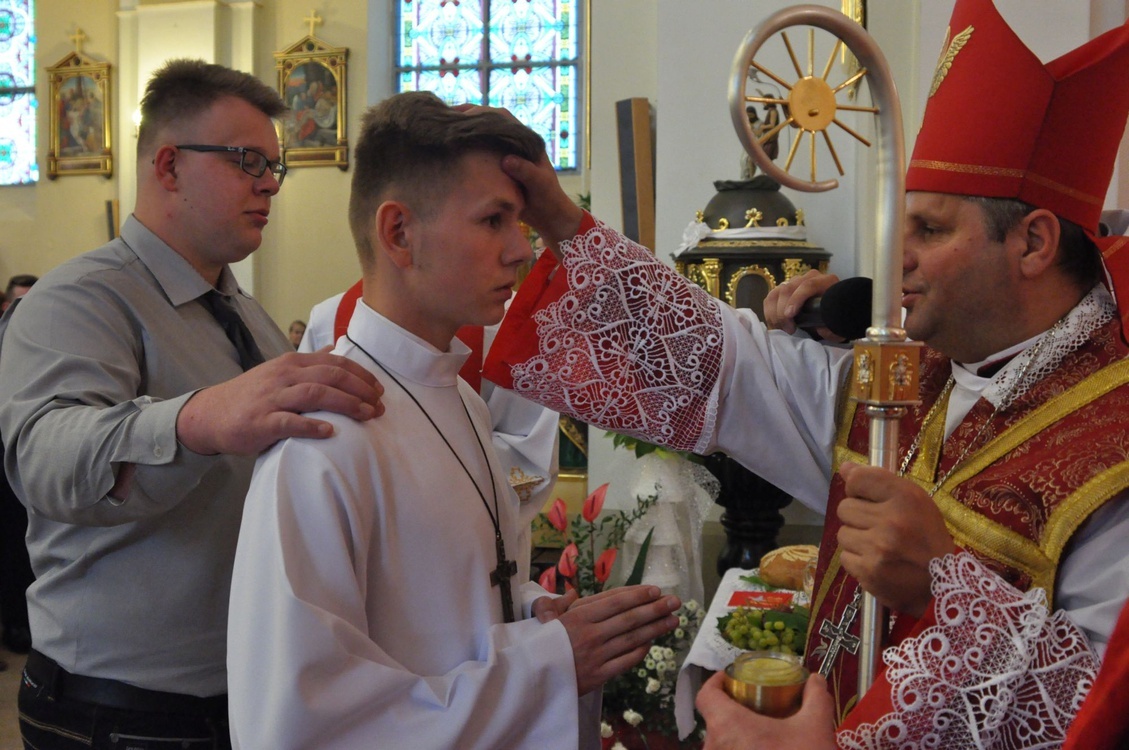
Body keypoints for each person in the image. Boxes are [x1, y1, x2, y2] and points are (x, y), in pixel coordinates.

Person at [480, 0, 1129, 743]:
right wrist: (565, 227)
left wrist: (940, 587)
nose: (897, 257)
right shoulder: (905, 383)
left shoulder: (1109, 453)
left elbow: (1096, 708)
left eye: (929, 229)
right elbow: (726, 365)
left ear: (1033, 243)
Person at [226, 91, 682, 750]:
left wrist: (536, 612)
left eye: (519, 222)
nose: (520, 251)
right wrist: (550, 662)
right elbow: (301, 724)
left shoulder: (460, 400)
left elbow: (453, 601)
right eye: (494, 220)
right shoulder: (320, 442)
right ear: (398, 233)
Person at [0, 59, 383, 750]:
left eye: (275, 166)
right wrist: (200, 418)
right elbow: (45, 460)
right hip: (123, 710)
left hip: (246, 687)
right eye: (246, 161)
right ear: (169, 166)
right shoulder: (80, 299)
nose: (270, 183)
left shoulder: (242, 310)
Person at [300, 279, 562, 561]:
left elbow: (529, 449)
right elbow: (311, 443)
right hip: (368, 545)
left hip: (481, 553)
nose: (520, 255)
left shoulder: (513, 317)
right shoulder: (327, 318)